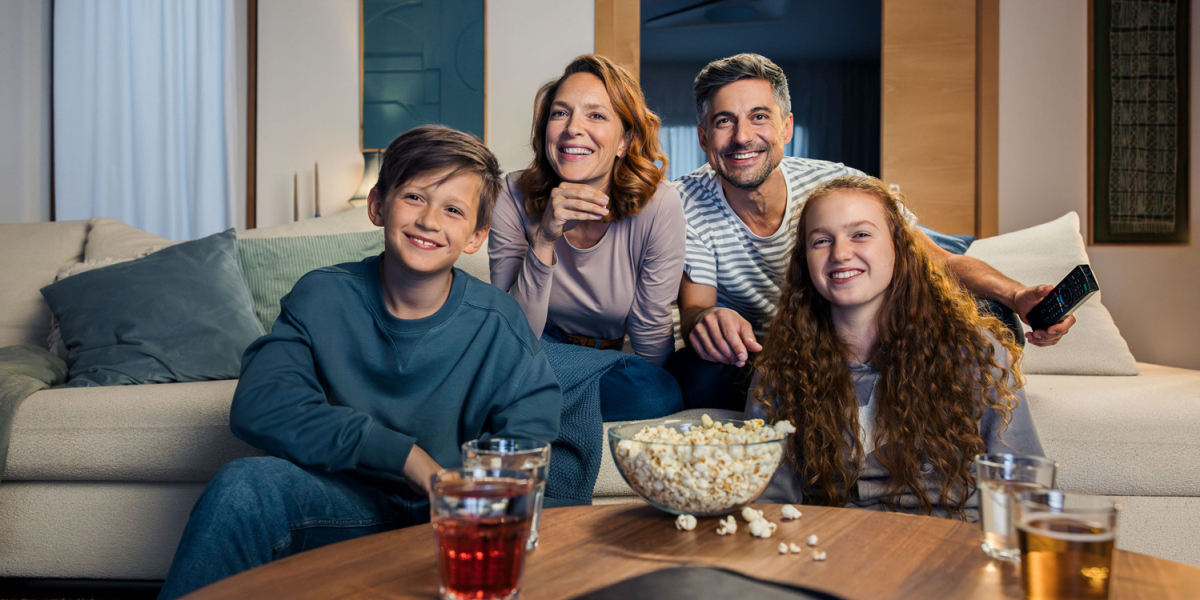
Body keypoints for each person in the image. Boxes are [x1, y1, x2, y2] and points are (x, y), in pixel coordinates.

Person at [157, 126, 562, 599]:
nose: (430, 220)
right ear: (377, 205)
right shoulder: (322, 295)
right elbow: (262, 402)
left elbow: (530, 431)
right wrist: (407, 458)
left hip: (452, 520)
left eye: (453, 209)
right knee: (243, 485)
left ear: (475, 237)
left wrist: (465, 499)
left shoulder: (497, 320)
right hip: (343, 503)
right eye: (414, 196)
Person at [667, 53, 1076, 411]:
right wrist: (708, 317)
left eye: (759, 117)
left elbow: (939, 263)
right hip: (780, 344)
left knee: (994, 317)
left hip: (862, 324)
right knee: (699, 375)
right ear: (703, 137)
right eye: (724, 121)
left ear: (787, 128)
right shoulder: (682, 203)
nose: (742, 137)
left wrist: (1018, 295)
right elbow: (695, 308)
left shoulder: (836, 183)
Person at [747, 175, 1043, 519]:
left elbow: (1023, 485)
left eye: (860, 234)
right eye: (821, 241)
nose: (840, 253)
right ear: (805, 262)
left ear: (899, 247)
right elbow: (769, 502)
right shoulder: (783, 365)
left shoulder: (974, 351)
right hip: (832, 552)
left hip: (951, 547)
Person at [489, 54, 686, 421]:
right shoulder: (512, 193)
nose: (572, 128)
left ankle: (516, 405)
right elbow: (510, 334)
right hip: (539, 345)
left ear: (624, 141)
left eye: (596, 115)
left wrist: (646, 382)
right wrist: (545, 237)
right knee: (494, 359)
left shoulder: (660, 205)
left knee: (656, 393)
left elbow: (650, 330)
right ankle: (516, 401)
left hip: (609, 360)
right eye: (560, 113)